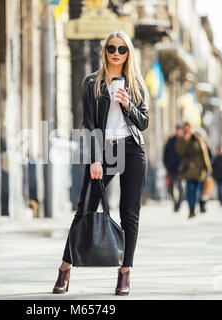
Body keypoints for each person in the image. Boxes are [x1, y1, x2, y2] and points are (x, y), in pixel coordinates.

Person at [53, 30, 150, 295]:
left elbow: (143, 122)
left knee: (130, 214)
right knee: (84, 209)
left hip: (131, 149)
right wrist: (95, 158)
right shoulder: (92, 83)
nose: (116, 54)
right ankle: (64, 269)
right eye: (111, 48)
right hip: (105, 149)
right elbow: (89, 124)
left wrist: (128, 104)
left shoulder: (136, 84)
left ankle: (125, 273)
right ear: (104, 51)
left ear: (128, 53)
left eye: (122, 49)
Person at [175, 122, 212, 218]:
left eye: (188, 128)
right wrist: (185, 140)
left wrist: (208, 167)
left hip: (198, 171)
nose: (187, 131)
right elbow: (180, 152)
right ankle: (191, 209)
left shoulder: (197, 139)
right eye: (185, 129)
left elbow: (204, 154)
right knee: (189, 190)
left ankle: (194, 207)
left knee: (197, 191)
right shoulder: (182, 140)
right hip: (188, 170)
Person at [163, 125, 184, 212]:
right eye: (177, 130)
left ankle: (179, 203)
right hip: (171, 168)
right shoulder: (171, 140)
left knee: (179, 186)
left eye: (179, 130)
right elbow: (165, 153)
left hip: (180, 169)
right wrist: (166, 164)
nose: (178, 131)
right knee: (170, 187)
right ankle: (175, 201)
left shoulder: (183, 141)